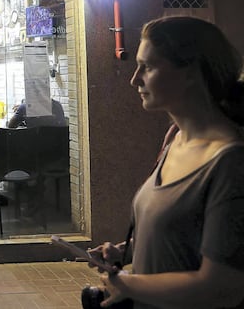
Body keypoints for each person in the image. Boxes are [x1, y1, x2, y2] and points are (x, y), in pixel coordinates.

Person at [88, 16, 244, 309]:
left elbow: (223, 287)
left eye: (147, 67)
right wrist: (126, 252)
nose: (134, 79)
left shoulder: (230, 163)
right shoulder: (174, 139)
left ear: (191, 71)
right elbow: (183, 235)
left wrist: (127, 284)